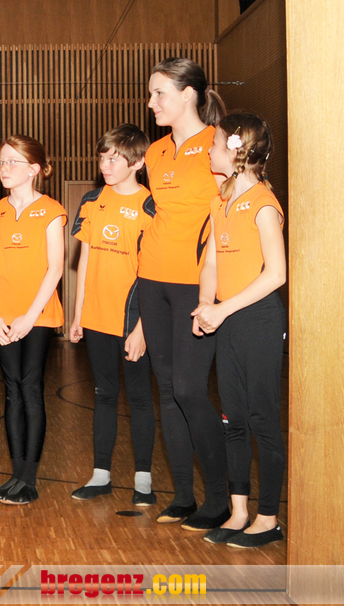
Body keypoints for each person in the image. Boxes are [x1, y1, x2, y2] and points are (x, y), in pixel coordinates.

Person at [139, 57, 229, 529]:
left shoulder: (217, 144)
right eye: (151, 93)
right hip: (152, 280)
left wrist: (212, 291)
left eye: (160, 93)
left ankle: (221, 499)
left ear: (188, 94)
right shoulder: (155, 153)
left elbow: (226, 216)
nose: (151, 102)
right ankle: (182, 497)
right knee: (168, 391)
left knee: (190, 389)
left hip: (196, 283)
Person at [195, 113, 286, 548]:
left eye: (215, 144)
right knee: (232, 418)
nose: (209, 151)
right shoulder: (220, 202)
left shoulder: (264, 203)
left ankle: (268, 518)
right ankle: (238, 512)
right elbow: (211, 262)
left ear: (235, 150)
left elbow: (276, 274)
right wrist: (205, 304)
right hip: (227, 319)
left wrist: (224, 308)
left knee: (261, 419)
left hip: (258, 320)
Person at [68, 125, 157, 506]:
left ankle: (143, 481)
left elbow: (154, 273)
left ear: (137, 163)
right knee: (104, 395)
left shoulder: (152, 206)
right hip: (96, 318)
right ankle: (100, 475)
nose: (105, 165)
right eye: (102, 157)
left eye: (114, 159)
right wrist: (77, 315)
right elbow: (84, 262)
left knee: (139, 398)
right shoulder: (92, 200)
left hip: (133, 320)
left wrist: (143, 328)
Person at [0, 135, 65, 505]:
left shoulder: (51, 210)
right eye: (1, 162)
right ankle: (15, 475)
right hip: (4, 314)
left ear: (34, 169)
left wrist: (30, 317)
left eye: (12, 162)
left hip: (38, 315)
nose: (4, 168)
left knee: (30, 387)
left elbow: (55, 268)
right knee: (11, 389)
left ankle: (29, 480)